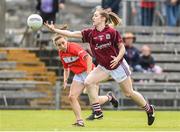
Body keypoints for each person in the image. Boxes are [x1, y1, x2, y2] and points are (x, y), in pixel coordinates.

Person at [44, 8, 155, 126]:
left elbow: (122, 48)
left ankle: (149, 109)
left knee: (128, 93)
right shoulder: (90, 33)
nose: (93, 17)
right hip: (104, 67)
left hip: (118, 66)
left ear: (103, 18)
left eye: (96, 16)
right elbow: (71, 34)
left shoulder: (111, 32)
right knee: (88, 81)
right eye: (93, 16)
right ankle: (98, 111)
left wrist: (117, 58)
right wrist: (54, 29)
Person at [52, 33, 118, 127]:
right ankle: (80, 121)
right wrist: (65, 80)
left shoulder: (73, 47)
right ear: (57, 46)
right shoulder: (61, 53)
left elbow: (89, 58)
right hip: (78, 75)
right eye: (59, 45)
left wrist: (89, 74)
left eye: (63, 42)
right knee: (71, 97)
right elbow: (66, 68)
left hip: (91, 72)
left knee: (94, 101)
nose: (62, 45)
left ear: (66, 41)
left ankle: (109, 97)